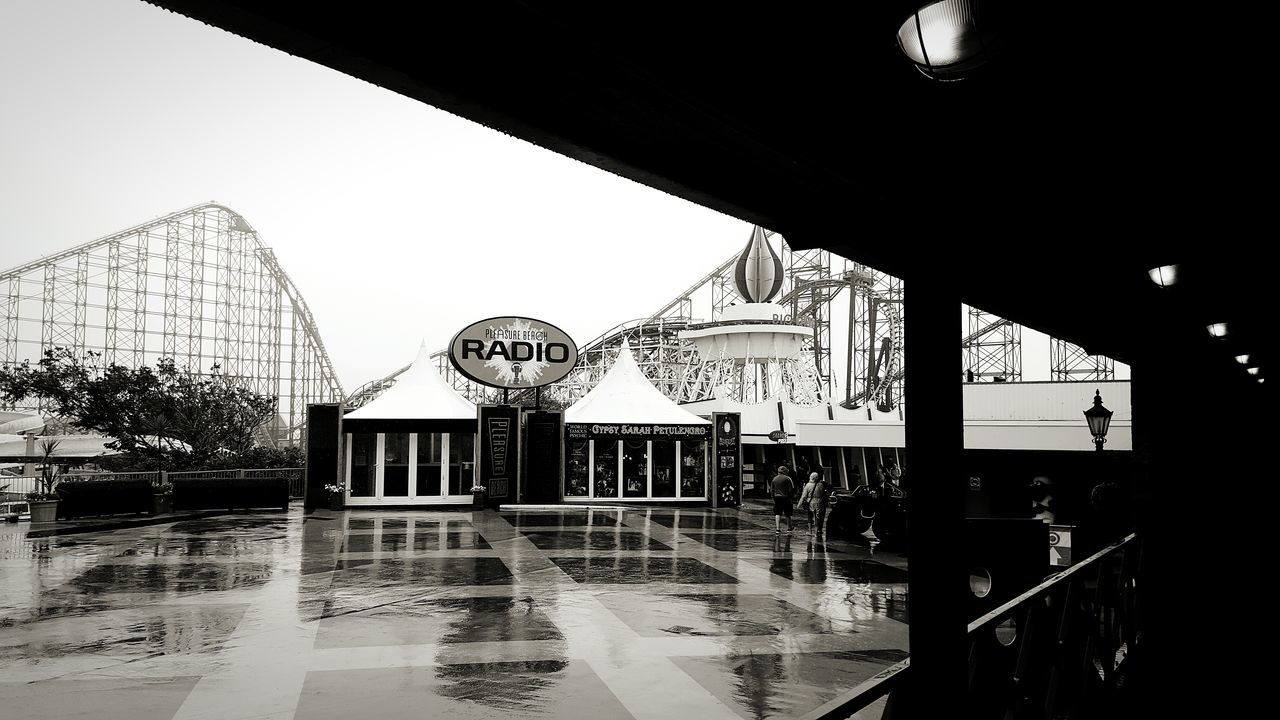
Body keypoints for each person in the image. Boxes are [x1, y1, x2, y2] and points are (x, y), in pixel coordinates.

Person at [798, 471, 831, 536]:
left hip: (810, 502)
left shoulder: (808, 485)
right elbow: (824, 494)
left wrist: (800, 503)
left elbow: (804, 495)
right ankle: (816, 532)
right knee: (817, 517)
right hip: (819, 502)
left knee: (809, 516)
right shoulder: (820, 485)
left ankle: (810, 532)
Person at [770, 465, 796, 533]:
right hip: (786, 498)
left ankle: (778, 529)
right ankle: (789, 528)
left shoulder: (774, 479)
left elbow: (772, 489)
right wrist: (791, 497)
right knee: (788, 513)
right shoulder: (788, 478)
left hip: (777, 498)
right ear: (785, 471)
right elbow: (791, 489)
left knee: (777, 513)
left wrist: (773, 497)